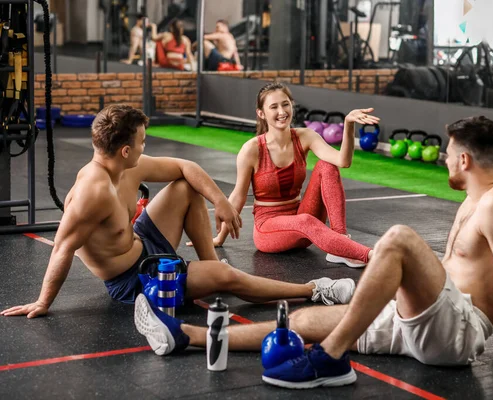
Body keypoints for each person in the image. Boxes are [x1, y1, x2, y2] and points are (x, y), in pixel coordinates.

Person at [135, 116, 493, 389]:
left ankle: (331, 359)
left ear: (463, 159)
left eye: (447, 154)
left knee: (398, 238)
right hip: (425, 320)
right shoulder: (477, 199)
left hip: (453, 332)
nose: (442, 161)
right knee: (301, 323)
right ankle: (189, 338)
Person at [0, 104, 357, 320]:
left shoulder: (125, 168)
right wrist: (43, 302)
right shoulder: (93, 192)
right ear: (125, 150)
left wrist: (220, 201)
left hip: (143, 242)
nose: (145, 146)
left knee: (187, 187)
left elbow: (186, 167)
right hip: (134, 280)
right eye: (141, 141)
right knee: (229, 280)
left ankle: (210, 269)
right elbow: (63, 246)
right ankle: (313, 289)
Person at [189, 82, 378, 268]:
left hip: (303, 223)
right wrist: (219, 238)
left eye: (285, 104)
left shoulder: (305, 136)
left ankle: (340, 242)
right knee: (305, 221)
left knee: (327, 165)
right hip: (269, 230)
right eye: (274, 107)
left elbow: (343, 161)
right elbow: (238, 196)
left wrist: (348, 124)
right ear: (261, 113)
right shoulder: (252, 149)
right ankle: (374, 256)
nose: (282, 111)